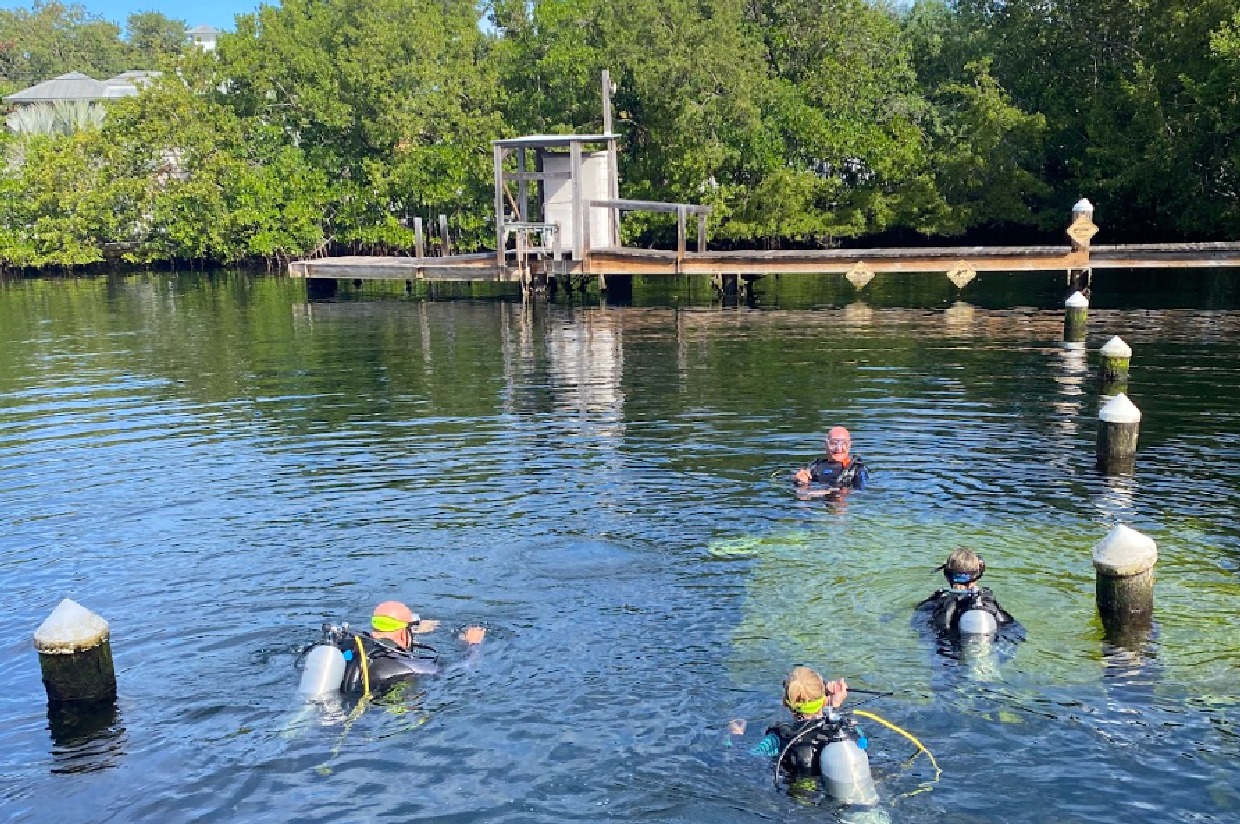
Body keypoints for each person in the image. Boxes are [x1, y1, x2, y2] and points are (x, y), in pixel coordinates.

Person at [731, 667, 865, 781]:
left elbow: (743, 760)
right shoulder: (847, 729)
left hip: (799, 801)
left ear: (785, 702)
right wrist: (833, 706)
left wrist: (735, 737)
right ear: (824, 698)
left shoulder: (778, 739)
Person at [338, 600, 485, 695]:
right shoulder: (408, 666)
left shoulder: (352, 643)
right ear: (403, 632)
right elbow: (462, 668)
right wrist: (472, 645)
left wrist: (411, 630)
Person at [916, 548, 1015, 635]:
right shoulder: (986, 600)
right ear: (978, 575)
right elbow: (1012, 628)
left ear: (947, 576)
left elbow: (919, 624)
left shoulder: (939, 599)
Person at [792, 426, 868, 492]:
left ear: (849, 445)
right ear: (826, 445)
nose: (838, 448)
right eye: (834, 443)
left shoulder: (857, 469)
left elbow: (860, 492)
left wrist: (831, 492)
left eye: (844, 443)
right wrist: (799, 480)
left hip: (839, 499)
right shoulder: (815, 466)